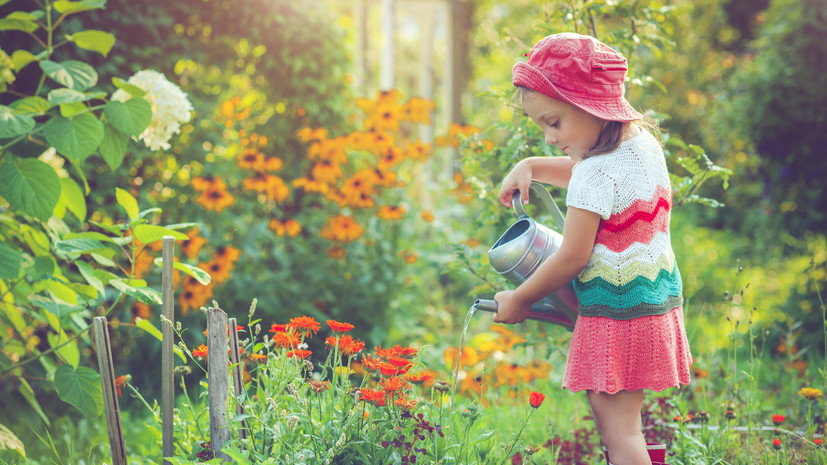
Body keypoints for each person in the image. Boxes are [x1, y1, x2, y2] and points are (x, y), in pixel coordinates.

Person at [492, 33, 691, 465]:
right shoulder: (642, 146)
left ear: (590, 106)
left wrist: (520, 298)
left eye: (553, 122)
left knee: (621, 435)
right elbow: (595, 177)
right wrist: (530, 166)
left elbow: (572, 257)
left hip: (615, 317)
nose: (548, 138)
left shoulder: (595, 173)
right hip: (652, 305)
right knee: (629, 427)